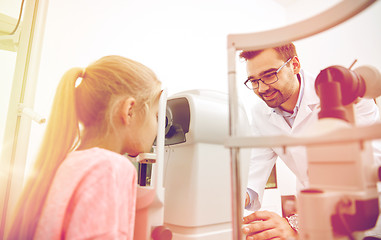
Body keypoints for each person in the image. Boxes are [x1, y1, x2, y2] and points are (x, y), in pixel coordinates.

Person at [6, 55, 162, 239]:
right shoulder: (110, 168)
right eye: (156, 115)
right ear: (130, 111)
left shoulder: (71, 163)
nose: (157, 128)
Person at [239, 43, 381, 240]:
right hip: (313, 221)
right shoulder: (260, 112)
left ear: (294, 65)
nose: (262, 88)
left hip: (365, 216)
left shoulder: (346, 94)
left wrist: (295, 224)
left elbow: (367, 168)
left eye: (270, 75)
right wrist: (234, 197)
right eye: (253, 81)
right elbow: (255, 166)